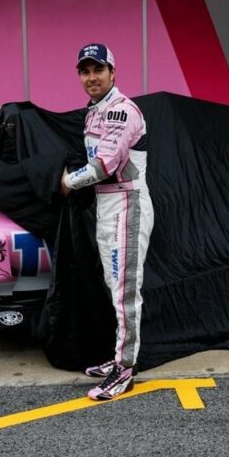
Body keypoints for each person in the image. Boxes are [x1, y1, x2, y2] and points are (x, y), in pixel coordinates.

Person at [60, 43, 154, 401]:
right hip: (107, 205)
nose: (91, 77)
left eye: (97, 70)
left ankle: (125, 369)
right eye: (84, 71)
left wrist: (68, 181)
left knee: (125, 291)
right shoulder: (93, 113)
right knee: (114, 285)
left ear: (112, 73)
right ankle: (118, 356)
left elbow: (104, 165)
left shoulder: (121, 111)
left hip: (128, 204)